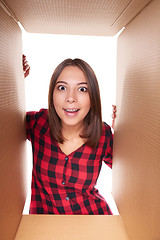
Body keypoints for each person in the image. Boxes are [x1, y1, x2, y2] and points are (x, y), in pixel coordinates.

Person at [23, 55, 116, 215]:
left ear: (93, 97)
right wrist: (11, 78)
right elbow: (5, 119)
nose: (70, 98)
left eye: (82, 89)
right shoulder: (38, 124)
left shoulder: (103, 135)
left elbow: (135, 170)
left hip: (94, 221)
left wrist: (126, 131)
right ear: (52, 94)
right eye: (62, 88)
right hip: (43, 225)